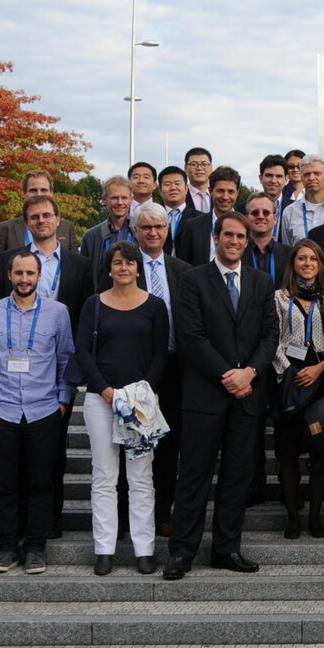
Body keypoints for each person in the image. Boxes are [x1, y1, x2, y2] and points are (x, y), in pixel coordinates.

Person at [166, 212, 278, 579]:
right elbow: (191, 336)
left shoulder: (262, 282)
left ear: (247, 241)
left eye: (241, 236)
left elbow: (269, 336)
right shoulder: (193, 280)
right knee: (194, 475)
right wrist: (227, 375)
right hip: (204, 396)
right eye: (228, 234)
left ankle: (227, 549)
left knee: (237, 476)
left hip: (247, 396)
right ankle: (181, 552)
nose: (234, 241)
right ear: (216, 238)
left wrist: (250, 372)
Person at [0, 249, 74, 575]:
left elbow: (65, 359)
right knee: (3, 483)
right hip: (0, 410)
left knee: (41, 481)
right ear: (9, 275)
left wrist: (62, 400)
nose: (24, 279)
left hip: (43, 410)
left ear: (39, 276)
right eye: (19, 273)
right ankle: (8, 546)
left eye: (30, 273)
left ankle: (35, 547)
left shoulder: (58, 313)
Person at [71, 241, 172, 576]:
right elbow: (83, 350)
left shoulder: (155, 306)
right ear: (110, 268)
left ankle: (144, 549)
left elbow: (161, 352)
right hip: (102, 400)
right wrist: (105, 390)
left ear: (138, 267)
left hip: (141, 403)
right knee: (104, 476)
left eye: (130, 262)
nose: (124, 268)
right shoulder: (93, 305)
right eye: (117, 263)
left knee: (141, 478)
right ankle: (105, 549)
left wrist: (141, 391)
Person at [117, 201, 192, 527]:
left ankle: (161, 514)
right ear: (135, 232)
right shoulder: (122, 268)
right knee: (131, 443)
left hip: (176, 370)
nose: (152, 233)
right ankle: (124, 516)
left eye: (158, 227)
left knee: (168, 445)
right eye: (145, 227)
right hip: (136, 369)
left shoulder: (183, 271)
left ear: (167, 231)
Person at [273, 239, 324, 538]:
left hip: (320, 382)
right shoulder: (278, 298)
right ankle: (292, 516)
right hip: (289, 382)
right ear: (293, 263)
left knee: (319, 451)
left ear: (320, 264)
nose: (307, 264)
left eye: (313, 259)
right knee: (287, 453)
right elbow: (272, 338)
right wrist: (290, 372)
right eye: (301, 258)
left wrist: (322, 366)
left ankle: (314, 516)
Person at [22, 193, 93, 317]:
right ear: (27, 224)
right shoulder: (7, 261)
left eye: (46, 215)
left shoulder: (81, 265)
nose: (41, 220)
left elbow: (86, 312)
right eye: (34, 217)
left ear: (58, 220)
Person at [0, 171, 79, 257]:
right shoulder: (6, 229)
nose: (39, 194)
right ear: (24, 194)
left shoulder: (67, 228)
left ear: (51, 193)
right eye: (33, 190)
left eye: (44, 190)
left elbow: (75, 265)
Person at [280, 157, 324, 244]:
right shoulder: (289, 212)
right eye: (307, 174)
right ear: (301, 178)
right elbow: (288, 249)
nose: (312, 178)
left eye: (317, 173)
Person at [82, 176, 137, 257]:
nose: (120, 202)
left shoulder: (140, 231)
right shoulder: (91, 236)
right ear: (104, 199)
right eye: (114, 198)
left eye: (124, 198)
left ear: (131, 200)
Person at [184, 147, 215, 213]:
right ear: (185, 168)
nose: (199, 168)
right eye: (194, 164)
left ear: (211, 168)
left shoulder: (219, 195)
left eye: (204, 164)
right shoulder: (180, 196)